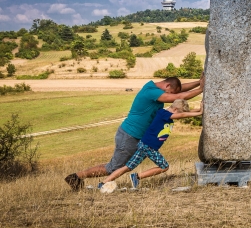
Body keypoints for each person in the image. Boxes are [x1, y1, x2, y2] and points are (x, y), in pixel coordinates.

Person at [64, 76, 204, 191]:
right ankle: (77, 177)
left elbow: (179, 89)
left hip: (138, 137)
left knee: (123, 166)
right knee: (113, 167)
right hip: (130, 135)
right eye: (170, 93)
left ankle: (101, 180)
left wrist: (200, 81)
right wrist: (201, 89)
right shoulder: (151, 92)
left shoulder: (157, 88)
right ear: (167, 87)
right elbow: (178, 95)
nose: (171, 97)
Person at [98, 99, 203, 192]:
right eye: (179, 113)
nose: (180, 117)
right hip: (148, 146)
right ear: (175, 109)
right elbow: (182, 115)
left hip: (145, 145)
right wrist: (199, 113)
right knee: (164, 166)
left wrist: (199, 110)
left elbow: (185, 113)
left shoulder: (167, 114)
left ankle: (103, 183)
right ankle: (137, 177)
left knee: (128, 167)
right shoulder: (163, 113)